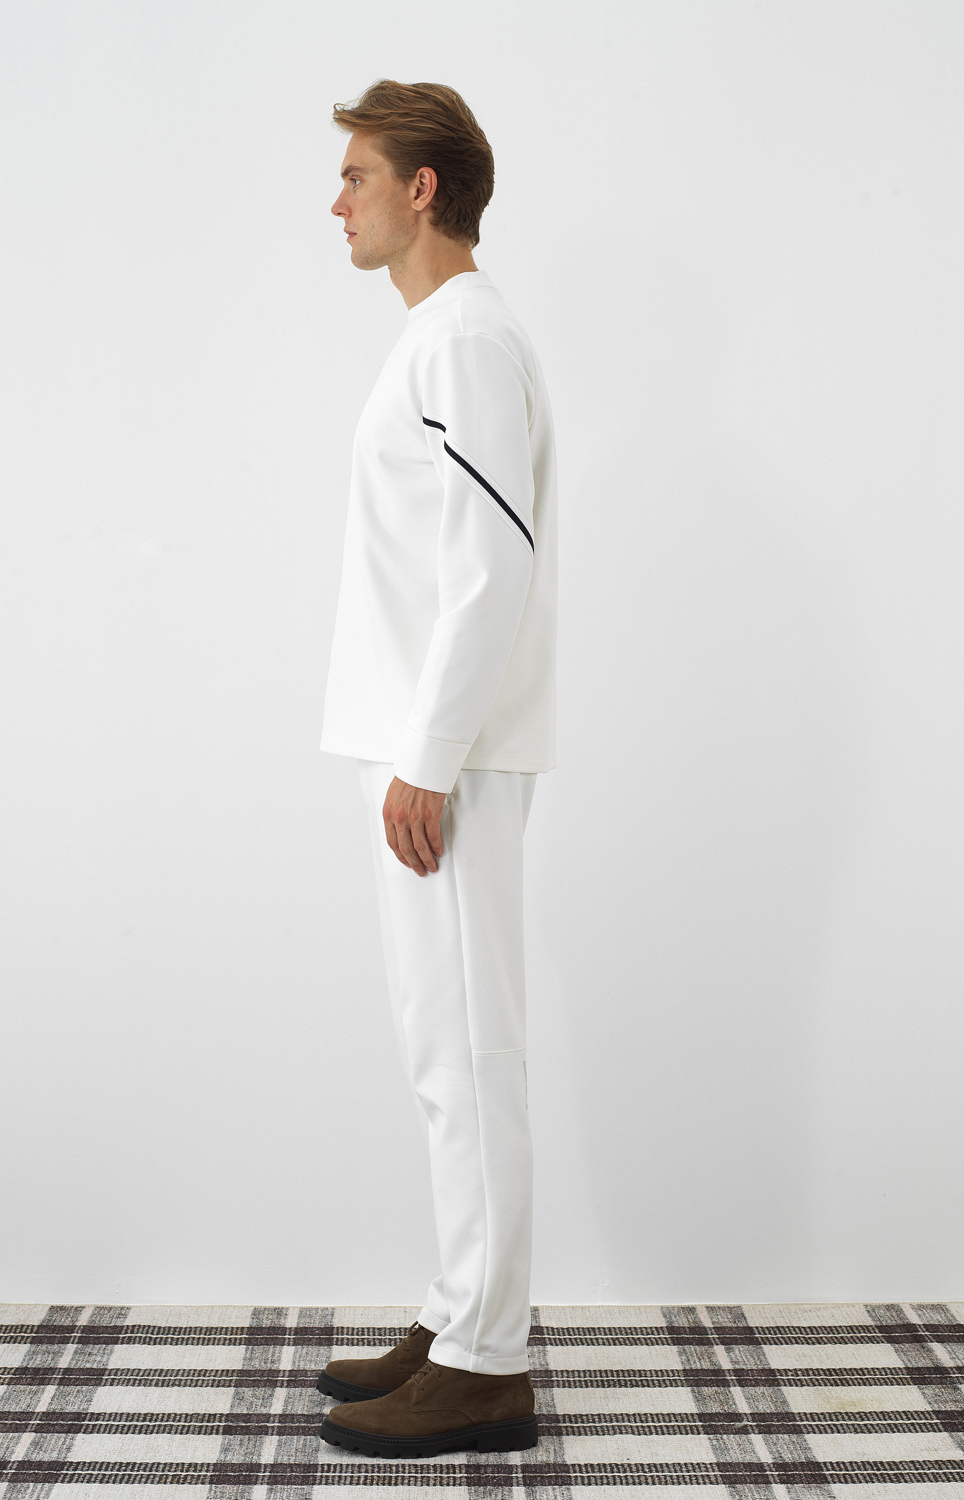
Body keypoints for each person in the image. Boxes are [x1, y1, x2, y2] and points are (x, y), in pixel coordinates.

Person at [315, 79, 558, 1460]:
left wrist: (431, 755)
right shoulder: (438, 337)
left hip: (437, 757)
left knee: (470, 1051)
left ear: (421, 189)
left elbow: (490, 567)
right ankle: (460, 1312)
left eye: (356, 175)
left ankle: (485, 1362)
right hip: (417, 746)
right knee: (441, 1051)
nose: (335, 202)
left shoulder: (463, 338)